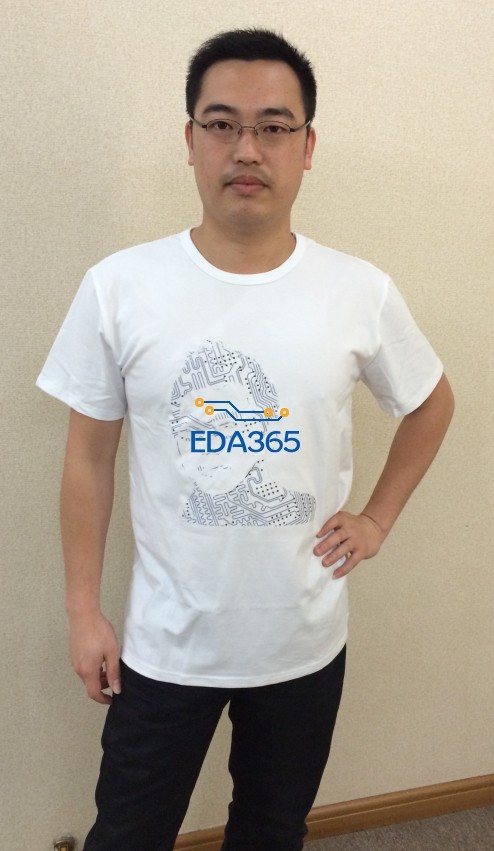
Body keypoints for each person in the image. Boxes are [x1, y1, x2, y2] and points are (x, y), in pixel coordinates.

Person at [36, 27, 454, 851]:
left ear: (307, 147)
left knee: (270, 829)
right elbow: (87, 457)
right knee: (128, 831)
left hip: (303, 640)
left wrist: (376, 519)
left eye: (274, 126)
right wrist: (84, 611)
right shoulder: (120, 287)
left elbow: (432, 404)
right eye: (222, 124)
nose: (247, 149)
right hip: (166, 644)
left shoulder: (358, 291)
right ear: (191, 140)